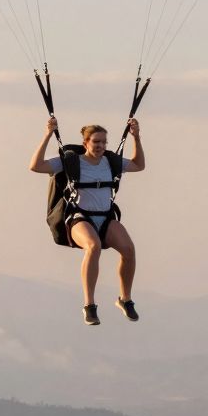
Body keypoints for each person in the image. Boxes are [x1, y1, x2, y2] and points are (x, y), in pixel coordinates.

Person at [29, 115, 145, 326]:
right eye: (96, 142)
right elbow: (36, 166)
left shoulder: (111, 162)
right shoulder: (71, 162)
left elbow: (138, 165)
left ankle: (125, 299)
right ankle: (89, 305)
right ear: (86, 143)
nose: (100, 146)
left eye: (103, 142)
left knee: (129, 249)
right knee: (94, 246)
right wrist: (47, 135)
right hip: (79, 218)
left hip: (106, 217)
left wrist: (136, 137)